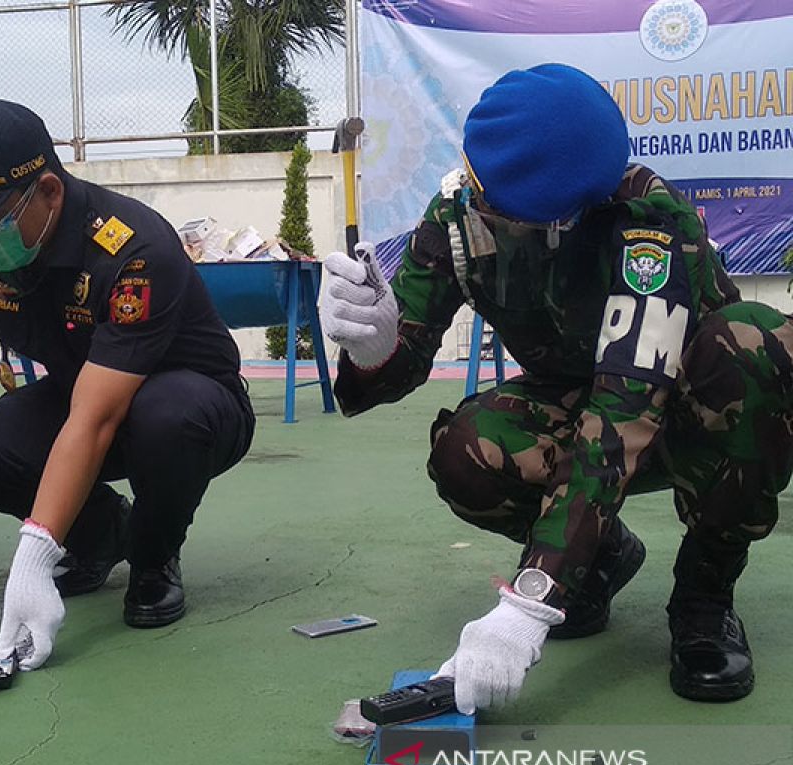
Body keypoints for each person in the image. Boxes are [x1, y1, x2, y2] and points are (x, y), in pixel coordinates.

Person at [320, 64, 792, 710]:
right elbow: (408, 352)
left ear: (553, 219)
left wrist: (529, 601)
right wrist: (373, 347)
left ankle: (705, 594)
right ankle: (601, 560)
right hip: (568, 403)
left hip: (688, 416)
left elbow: (620, 415)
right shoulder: (462, 216)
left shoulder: (649, 226)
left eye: (487, 197)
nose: (470, 198)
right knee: (466, 451)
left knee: (752, 343)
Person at [0, 99, 255, 670]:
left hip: (194, 404)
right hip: (84, 391)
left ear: (50, 192)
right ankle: (103, 535)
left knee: (164, 416)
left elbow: (96, 419)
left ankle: (154, 558)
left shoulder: (131, 250)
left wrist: (33, 555)